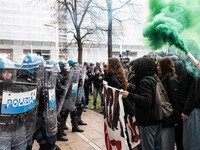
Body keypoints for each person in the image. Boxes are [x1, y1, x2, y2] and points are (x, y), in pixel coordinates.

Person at [121, 57, 162, 150]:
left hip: (147, 120)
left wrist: (129, 95)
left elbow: (147, 101)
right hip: (156, 118)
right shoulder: (155, 78)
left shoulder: (145, 81)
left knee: (148, 147)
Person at [157, 57, 181, 150]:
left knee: (167, 145)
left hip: (169, 118)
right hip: (166, 118)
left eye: (159, 65)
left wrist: (175, 119)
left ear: (164, 66)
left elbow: (175, 101)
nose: (158, 67)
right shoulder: (163, 79)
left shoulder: (171, 80)